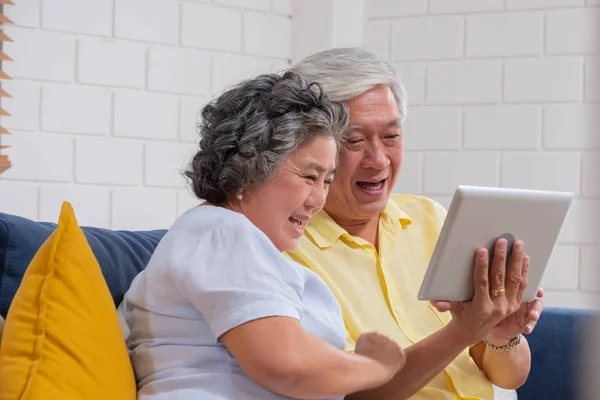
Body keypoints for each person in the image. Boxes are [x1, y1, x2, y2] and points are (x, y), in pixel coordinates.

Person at [120, 71, 406, 400]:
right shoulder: (222, 232)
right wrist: (375, 367)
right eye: (309, 176)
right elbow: (288, 367)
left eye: (327, 181)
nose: (318, 201)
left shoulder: (231, 241)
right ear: (250, 170)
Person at [286, 47, 544, 400]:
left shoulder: (429, 219)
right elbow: (351, 394)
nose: (378, 159)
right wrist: (464, 331)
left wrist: (501, 333)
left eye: (391, 136)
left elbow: (510, 377)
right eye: (355, 141)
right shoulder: (287, 249)